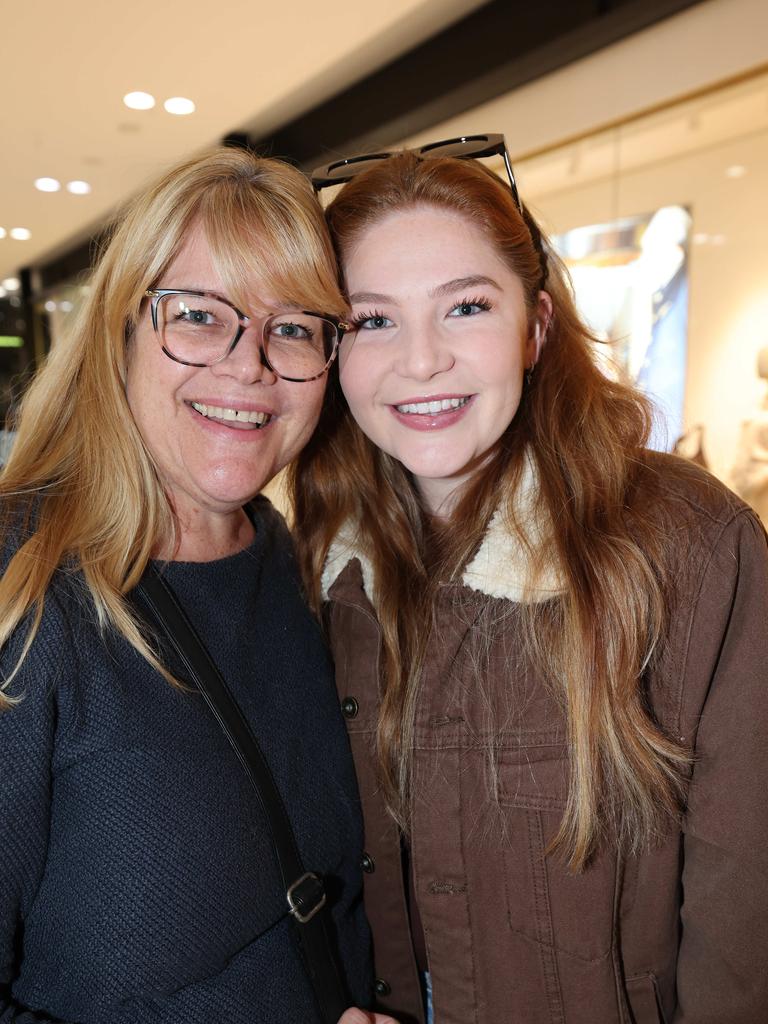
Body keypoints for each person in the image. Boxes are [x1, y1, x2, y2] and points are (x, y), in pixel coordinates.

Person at [289, 138, 768, 1023]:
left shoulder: (686, 545)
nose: (421, 360)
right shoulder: (323, 556)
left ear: (536, 326)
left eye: (465, 307)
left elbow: (747, 917)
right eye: (372, 320)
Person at [0, 146, 393, 1024]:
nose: (249, 365)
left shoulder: (295, 568)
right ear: (123, 328)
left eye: (293, 326)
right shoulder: (25, 589)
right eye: (200, 316)